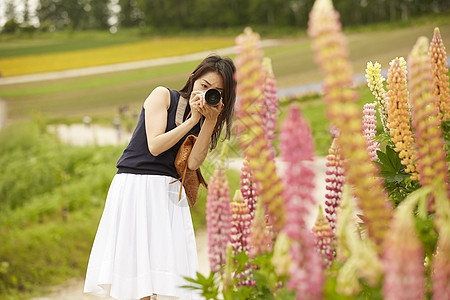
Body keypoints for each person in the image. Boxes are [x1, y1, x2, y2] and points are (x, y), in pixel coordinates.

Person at [84, 54, 237, 300]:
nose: (207, 93)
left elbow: (195, 163)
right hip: (138, 185)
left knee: (159, 278)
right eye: (204, 86)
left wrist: (210, 121)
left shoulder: (208, 117)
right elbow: (155, 145)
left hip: (168, 194)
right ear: (193, 79)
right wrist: (192, 122)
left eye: (217, 91)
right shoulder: (163, 96)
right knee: (137, 278)